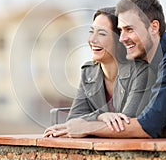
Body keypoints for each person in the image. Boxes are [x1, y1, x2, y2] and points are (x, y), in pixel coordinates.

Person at [43, 0, 166, 139]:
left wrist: (87, 126)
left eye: (129, 30)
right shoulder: (146, 63)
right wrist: (99, 118)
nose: (123, 38)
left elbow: (146, 125)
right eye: (120, 30)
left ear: (154, 27)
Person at [44, 7, 153, 136]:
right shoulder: (89, 72)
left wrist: (87, 125)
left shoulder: (140, 71)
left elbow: (126, 124)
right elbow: (73, 120)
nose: (92, 40)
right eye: (91, 32)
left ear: (120, 40)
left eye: (102, 34)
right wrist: (101, 116)